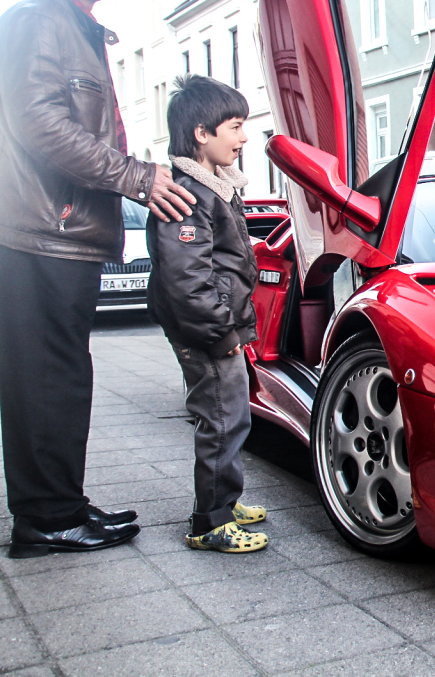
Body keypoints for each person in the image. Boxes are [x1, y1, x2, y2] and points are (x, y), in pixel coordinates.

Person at [0, 0, 196, 558]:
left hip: (59, 235)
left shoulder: (73, 29)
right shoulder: (36, 23)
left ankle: (60, 503)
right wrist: (138, 178)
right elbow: (41, 125)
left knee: (62, 376)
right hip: (41, 235)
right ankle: (45, 519)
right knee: (46, 380)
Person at [147, 75, 268, 552]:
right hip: (206, 331)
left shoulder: (214, 187)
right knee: (222, 419)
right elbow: (187, 280)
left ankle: (226, 497)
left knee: (232, 415)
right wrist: (222, 331)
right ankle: (210, 522)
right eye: (235, 127)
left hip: (217, 326)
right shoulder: (188, 194)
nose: (243, 138)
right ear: (202, 133)